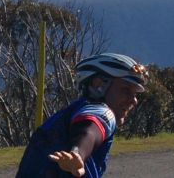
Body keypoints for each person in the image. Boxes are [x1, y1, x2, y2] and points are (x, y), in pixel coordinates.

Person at [16, 53, 149, 177]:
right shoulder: (103, 112)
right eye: (125, 90)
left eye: (135, 94)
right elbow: (89, 130)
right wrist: (77, 153)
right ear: (98, 84)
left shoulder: (68, 114)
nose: (134, 100)